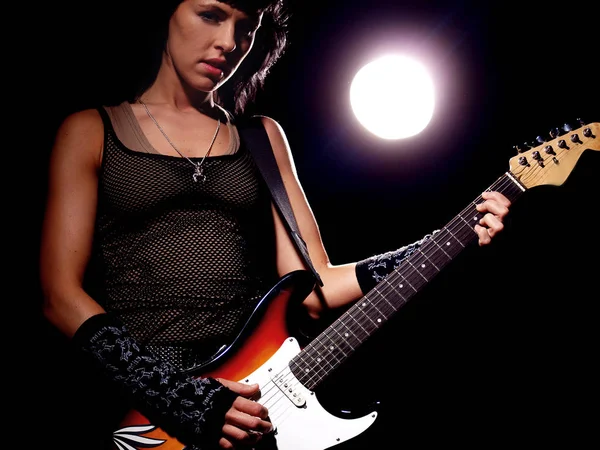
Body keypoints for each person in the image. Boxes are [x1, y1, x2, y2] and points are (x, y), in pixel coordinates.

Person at [38, 1, 511, 449]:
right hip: (142, 412)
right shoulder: (91, 130)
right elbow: (60, 296)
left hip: (251, 404)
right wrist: (179, 397)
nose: (229, 41)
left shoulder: (262, 137)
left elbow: (314, 287)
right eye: (210, 15)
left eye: (246, 27)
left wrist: (444, 240)